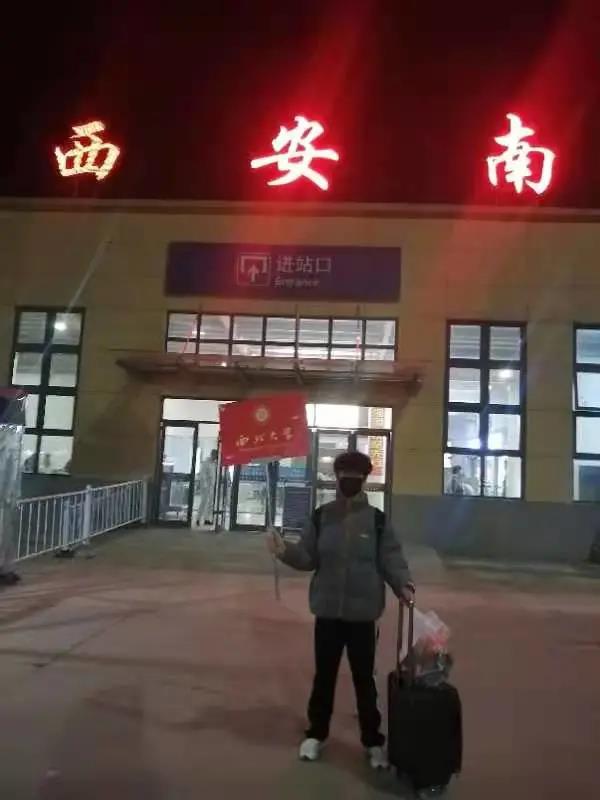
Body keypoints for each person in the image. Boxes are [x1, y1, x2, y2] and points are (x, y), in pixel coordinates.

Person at [266, 450, 415, 769]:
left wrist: (404, 585)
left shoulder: (377, 521)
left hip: (363, 615)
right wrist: (284, 551)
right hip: (328, 613)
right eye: (343, 476)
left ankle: (373, 741)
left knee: (364, 679)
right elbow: (307, 557)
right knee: (324, 676)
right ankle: (316, 734)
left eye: (355, 477)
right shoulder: (322, 517)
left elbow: (391, 558)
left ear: (364, 480)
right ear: (336, 479)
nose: (348, 482)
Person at [195, 449, 218, 527]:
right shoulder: (206, 463)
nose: (216, 457)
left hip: (211, 486)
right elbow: (203, 474)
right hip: (206, 487)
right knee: (204, 502)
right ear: (212, 454)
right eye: (215, 455)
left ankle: (207, 519)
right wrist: (205, 486)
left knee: (210, 504)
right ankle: (198, 519)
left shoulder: (214, 464)